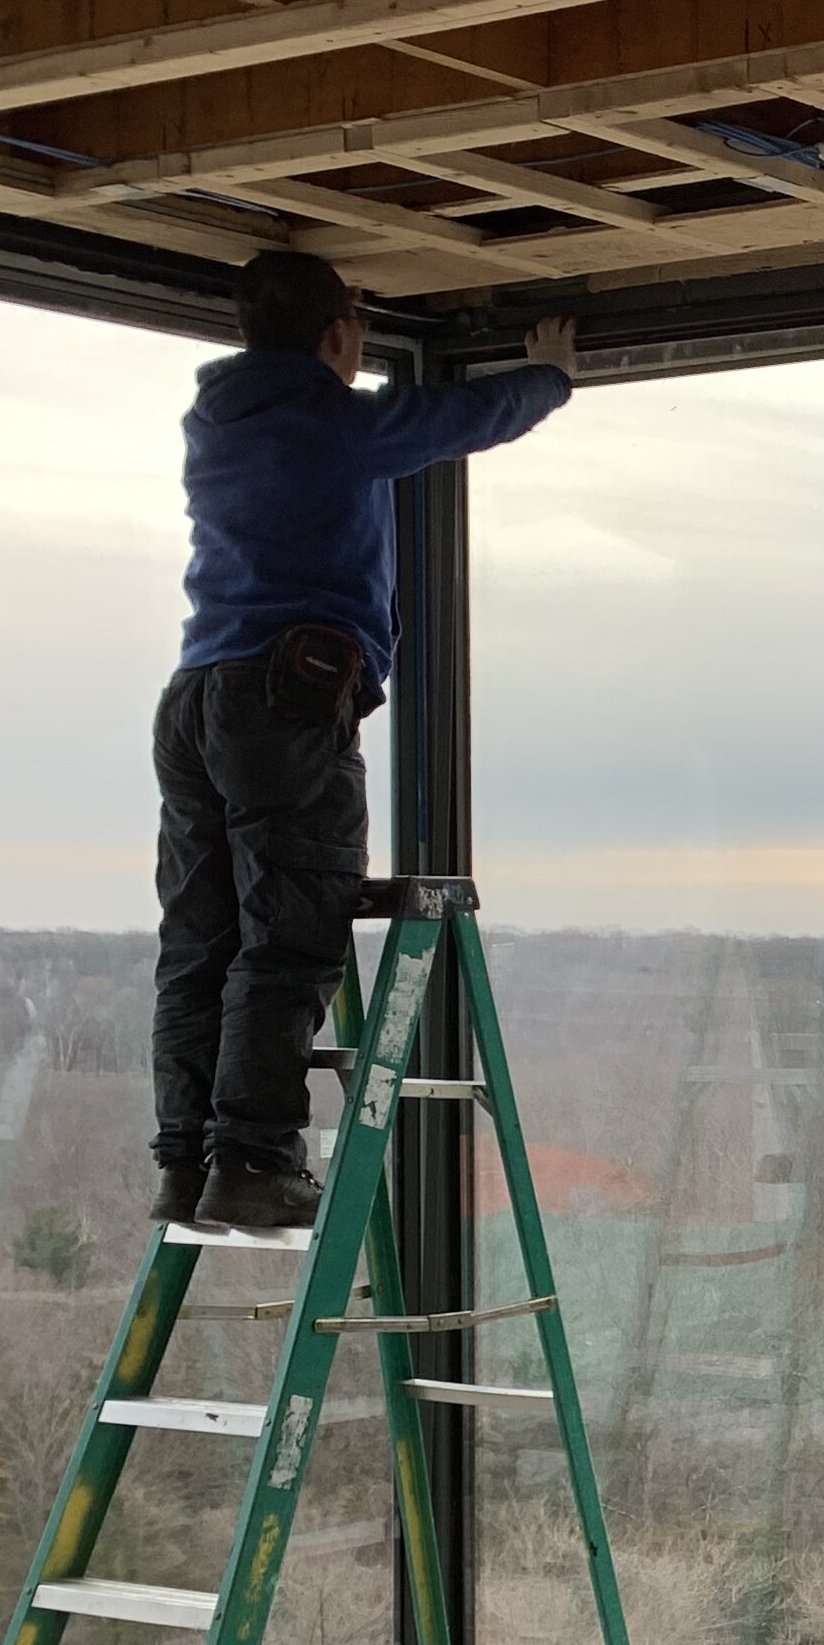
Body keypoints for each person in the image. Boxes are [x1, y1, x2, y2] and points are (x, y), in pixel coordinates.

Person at [154, 254, 578, 1235]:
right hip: (283, 701)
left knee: (202, 939)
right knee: (289, 933)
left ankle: (186, 1162)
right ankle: (254, 1161)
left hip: (198, 695)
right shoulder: (328, 422)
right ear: (339, 334)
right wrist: (549, 376)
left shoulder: (220, 421)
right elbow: (459, 418)